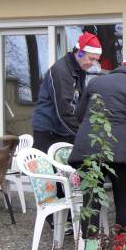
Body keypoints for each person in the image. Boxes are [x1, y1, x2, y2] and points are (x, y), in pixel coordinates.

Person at [69, 49, 126, 250]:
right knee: (124, 202)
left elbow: (78, 115)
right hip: (122, 156)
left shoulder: (96, 83)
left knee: (90, 203)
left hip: (88, 150)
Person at [32, 31, 102, 232]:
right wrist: (81, 134)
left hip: (61, 128)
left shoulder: (78, 69)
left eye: (96, 60)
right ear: (79, 52)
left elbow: (77, 106)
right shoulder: (61, 71)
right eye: (91, 59)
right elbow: (63, 110)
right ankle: (55, 222)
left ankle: (70, 219)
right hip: (47, 129)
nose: (93, 64)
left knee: (67, 173)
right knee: (51, 176)